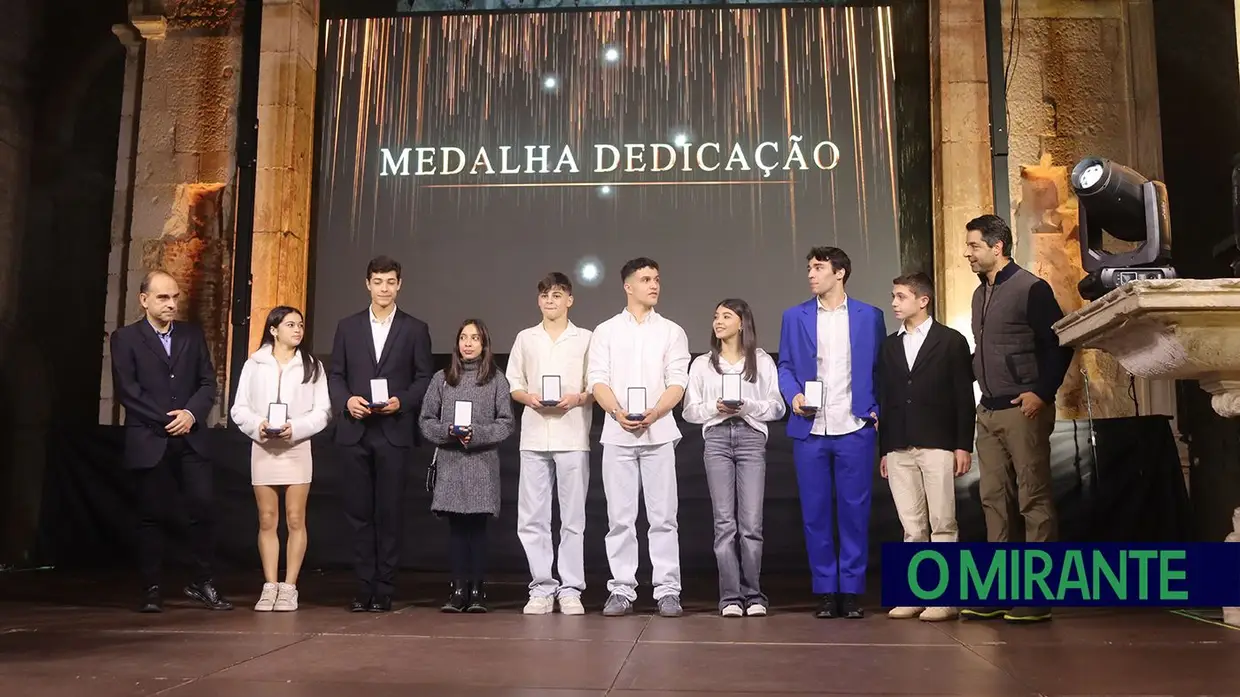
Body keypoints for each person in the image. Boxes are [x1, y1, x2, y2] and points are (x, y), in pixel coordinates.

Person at [961, 214, 1073, 624]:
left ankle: (1037, 595)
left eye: (973, 246)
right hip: (988, 410)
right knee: (993, 501)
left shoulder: (1031, 288)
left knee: (1033, 499)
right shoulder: (979, 294)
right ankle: (999, 591)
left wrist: (1041, 393)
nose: (967, 253)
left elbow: (1059, 345)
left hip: (1022, 411)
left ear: (997, 247)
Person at [109, 270, 231, 612]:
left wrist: (190, 415)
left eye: (175, 297)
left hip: (190, 438)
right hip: (151, 438)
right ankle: (151, 588)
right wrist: (167, 419)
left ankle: (202, 582)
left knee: (203, 508)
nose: (171, 304)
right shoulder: (126, 338)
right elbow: (128, 391)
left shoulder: (192, 336)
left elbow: (208, 383)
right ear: (144, 299)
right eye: (163, 297)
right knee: (151, 515)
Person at [777, 246, 885, 619]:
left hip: (854, 426)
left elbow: (880, 369)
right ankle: (825, 590)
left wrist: (875, 411)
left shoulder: (870, 316)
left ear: (840, 273)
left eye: (819, 268)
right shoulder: (794, 317)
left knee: (855, 512)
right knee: (816, 513)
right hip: (811, 427)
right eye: (809, 267)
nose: (811, 274)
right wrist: (794, 396)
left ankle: (852, 591)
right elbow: (786, 366)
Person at [586, 257, 691, 618]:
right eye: (646, 279)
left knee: (663, 517)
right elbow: (597, 380)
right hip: (617, 435)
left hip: (659, 433)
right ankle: (621, 588)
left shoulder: (672, 331)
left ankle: (667, 589)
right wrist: (616, 413)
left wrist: (656, 412)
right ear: (628, 286)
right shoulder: (606, 331)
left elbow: (678, 381)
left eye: (657, 279)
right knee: (620, 517)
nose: (654, 285)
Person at [328, 255, 433, 612]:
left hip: (393, 431)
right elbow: (335, 375)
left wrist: (400, 402)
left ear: (399, 284)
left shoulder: (415, 328)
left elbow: (423, 378)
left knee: (389, 512)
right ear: (367, 284)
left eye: (391, 282)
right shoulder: (347, 326)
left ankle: (385, 588)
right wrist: (346, 402)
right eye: (378, 281)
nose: (384, 288)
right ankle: (363, 587)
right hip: (355, 430)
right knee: (358, 513)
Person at [877, 273, 975, 622]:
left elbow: (964, 396)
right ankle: (913, 595)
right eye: (893, 296)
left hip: (937, 444)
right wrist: (885, 449)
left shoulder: (950, 341)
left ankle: (944, 598)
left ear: (923, 300)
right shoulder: (889, 345)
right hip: (900, 446)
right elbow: (886, 399)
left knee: (943, 523)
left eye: (901, 296)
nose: (894, 303)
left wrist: (963, 445)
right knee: (912, 526)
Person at [682, 299, 786, 617]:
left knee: (751, 523)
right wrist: (716, 407)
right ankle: (730, 596)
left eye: (727, 316)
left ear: (742, 323)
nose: (719, 321)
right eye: (715, 316)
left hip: (751, 438)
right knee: (724, 523)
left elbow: (777, 407)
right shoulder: (702, 364)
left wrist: (747, 406)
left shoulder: (761, 361)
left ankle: (753, 594)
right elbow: (689, 410)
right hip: (716, 439)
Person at [229, 306, 332, 612]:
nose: (297, 330)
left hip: (296, 447)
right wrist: (259, 426)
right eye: (290, 325)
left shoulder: (312, 366)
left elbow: (322, 410)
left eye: (300, 325)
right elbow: (239, 408)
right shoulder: (255, 364)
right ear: (273, 329)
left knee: (296, 517)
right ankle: (270, 584)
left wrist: (296, 429)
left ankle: (290, 587)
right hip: (264, 447)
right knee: (267, 518)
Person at [505, 272, 593, 615]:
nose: (551, 301)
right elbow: (514, 383)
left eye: (557, 295)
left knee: (573, 518)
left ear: (570, 299)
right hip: (534, 435)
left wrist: (578, 397)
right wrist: (529, 398)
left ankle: (571, 588)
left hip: (572, 435)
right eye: (545, 295)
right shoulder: (526, 338)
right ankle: (541, 587)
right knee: (533, 517)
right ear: (538, 300)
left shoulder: (585, 338)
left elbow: (594, 385)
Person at [419, 319, 515, 613]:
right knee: (457, 530)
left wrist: (479, 434)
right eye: (463, 337)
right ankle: (458, 589)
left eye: (475, 338)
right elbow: (425, 421)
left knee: (478, 530)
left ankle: (477, 590)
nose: (468, 343)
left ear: (484, 344)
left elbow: (507, 422)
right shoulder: (442, 379)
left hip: (482, 465)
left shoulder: (496, 379)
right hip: (451, 463)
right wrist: (449, 431)